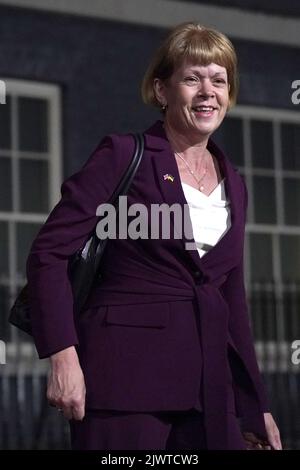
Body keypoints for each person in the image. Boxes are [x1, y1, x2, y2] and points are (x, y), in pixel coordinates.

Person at [26, 22, 282, 450]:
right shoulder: (123, 154)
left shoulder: (234, 183)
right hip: (123, 385)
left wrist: (257, 406)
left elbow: (231, 298)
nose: (207, 91)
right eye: (192, 78)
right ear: (162, 91)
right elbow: (48, 253)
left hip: (208, 393)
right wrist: (63, 355)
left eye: (219, 80)